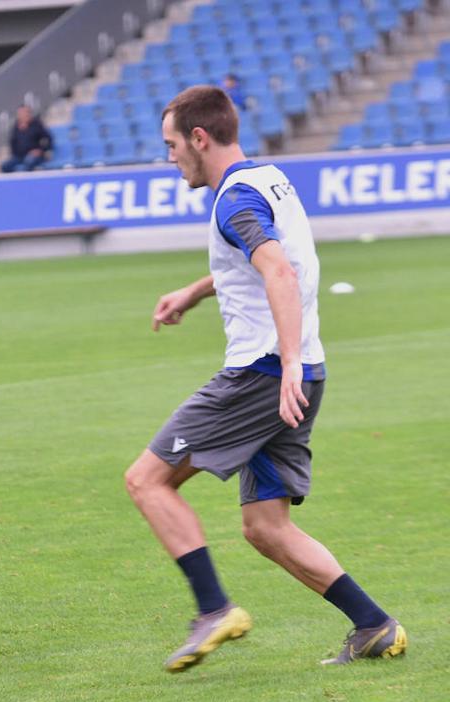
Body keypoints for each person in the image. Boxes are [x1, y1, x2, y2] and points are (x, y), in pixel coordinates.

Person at [123, 85, 406, 672]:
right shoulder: (267, 178)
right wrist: (198, 291)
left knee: (147, 480)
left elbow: (276, 267)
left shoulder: (231, 201)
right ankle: (375, 625)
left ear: (200, 138)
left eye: (172, 145)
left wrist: (288, 364)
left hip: (263, 375)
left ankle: (213, 609)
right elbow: (273, 257)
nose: (170, 157)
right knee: (266, 527)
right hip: (298, 372)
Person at [0, 105, 52, 173]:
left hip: (34, 156)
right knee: (5, 166)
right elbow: (12, 142)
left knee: (29, 162)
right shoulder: (15, 127)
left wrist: (41, 150)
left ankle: (26, 182)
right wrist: (14, 153)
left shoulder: (36, 125)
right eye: (20, 113)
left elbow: (48, 138)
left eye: (25, 113)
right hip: (19, 156)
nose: (23, 115)